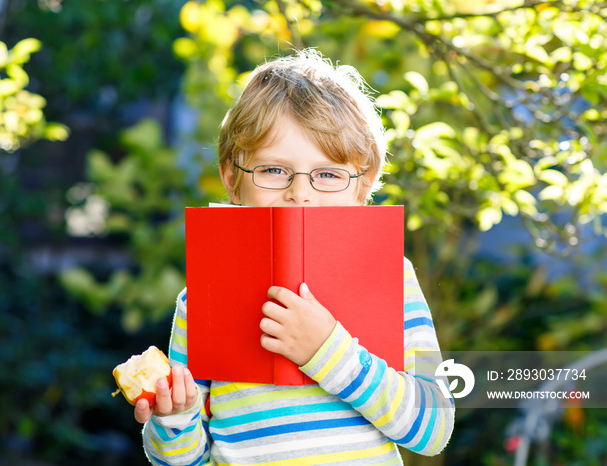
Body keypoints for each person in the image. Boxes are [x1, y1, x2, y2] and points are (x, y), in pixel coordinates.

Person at [136, 49, 455, 465]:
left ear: (364, 186)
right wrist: (174, 421)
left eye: (327, 174)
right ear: (233, 181)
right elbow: (184, 460)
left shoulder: (388, 274)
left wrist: (326, 351)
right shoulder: (203, 297)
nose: (300, 193)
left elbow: (433, 428)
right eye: (273, 170)